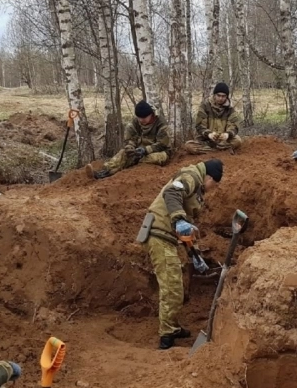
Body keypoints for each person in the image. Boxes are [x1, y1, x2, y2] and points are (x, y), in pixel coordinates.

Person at [136, 159, 224, 349]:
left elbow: (185, 228)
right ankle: (166, 336)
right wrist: (178, 220)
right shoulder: (191, 177)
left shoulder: (195, 186)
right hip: (158, 235)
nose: (212, 189)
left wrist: (194, 253)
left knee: (175, 285)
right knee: (172, 287)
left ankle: (172, 327)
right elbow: (172, 192)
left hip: (165, 236)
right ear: (208, 177)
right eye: (214, 184)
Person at [93, 100, 172, 179]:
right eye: (139, 118)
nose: (141, 120)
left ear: (151, 115)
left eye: (144, 118)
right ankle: (106, 170)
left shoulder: (161, 124)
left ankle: (119, 173)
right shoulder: (135, 122)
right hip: (139, 149)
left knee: (146, 160)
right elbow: (131, 137)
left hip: (161, 152)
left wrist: (145, 150)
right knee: (123, 153)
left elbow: (162, 144)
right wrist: (130, 147)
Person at [184, 82, 243, 154]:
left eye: (223, 96)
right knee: (189, 146)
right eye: (218, 95)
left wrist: (227, 134)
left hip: (223, 141)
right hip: (207, 140)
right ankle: (218, 152)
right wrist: (209, 134)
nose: (221, 98)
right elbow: (199, 125)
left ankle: (214, 151)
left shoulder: (230, 109)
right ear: (214, 95)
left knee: (237, 140)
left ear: (227, 97)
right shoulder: (205, 106)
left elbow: (234, 126)